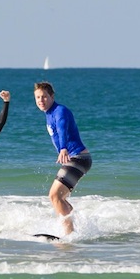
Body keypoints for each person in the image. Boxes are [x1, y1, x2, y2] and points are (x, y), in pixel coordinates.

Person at [33, 81, 91, 236]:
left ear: (52, 96)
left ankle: (69, 234)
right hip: (76, 159)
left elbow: (62, 128)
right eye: (38, 97)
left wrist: (63, 148)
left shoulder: (60, 111)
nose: (41, 100)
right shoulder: (49, 113)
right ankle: (76, 230)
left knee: (54, 195)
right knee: (60, 199)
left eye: (44, 97)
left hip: (79, 157)